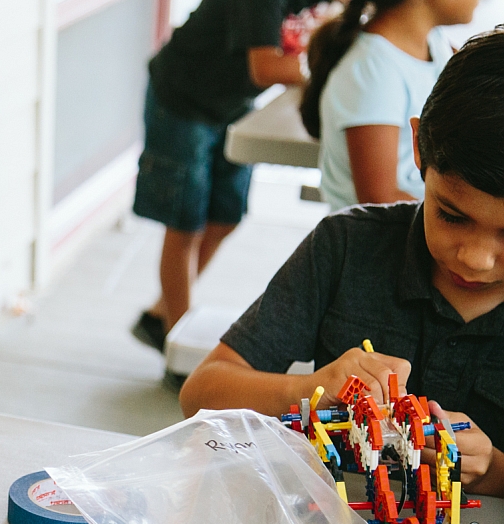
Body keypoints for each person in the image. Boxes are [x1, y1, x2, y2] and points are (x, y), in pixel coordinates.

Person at [180, 29, 504, 498]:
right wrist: (310, 389)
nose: (475, 258)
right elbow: (201, 395)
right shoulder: (348, 246)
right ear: (418, 149)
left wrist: (492, 467)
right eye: (451, 215)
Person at [131, 0, 362, 353]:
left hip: (230, 105)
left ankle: (163, 312)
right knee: (186, 223)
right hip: (183, 98)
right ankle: (175, 344)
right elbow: (266, 67)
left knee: (226, 216)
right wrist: (341, 72)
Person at [301, 0, 486, 211]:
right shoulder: (372, 71)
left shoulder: (434, 44)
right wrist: (470, 214)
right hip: (380, 245)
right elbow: (380, 198)